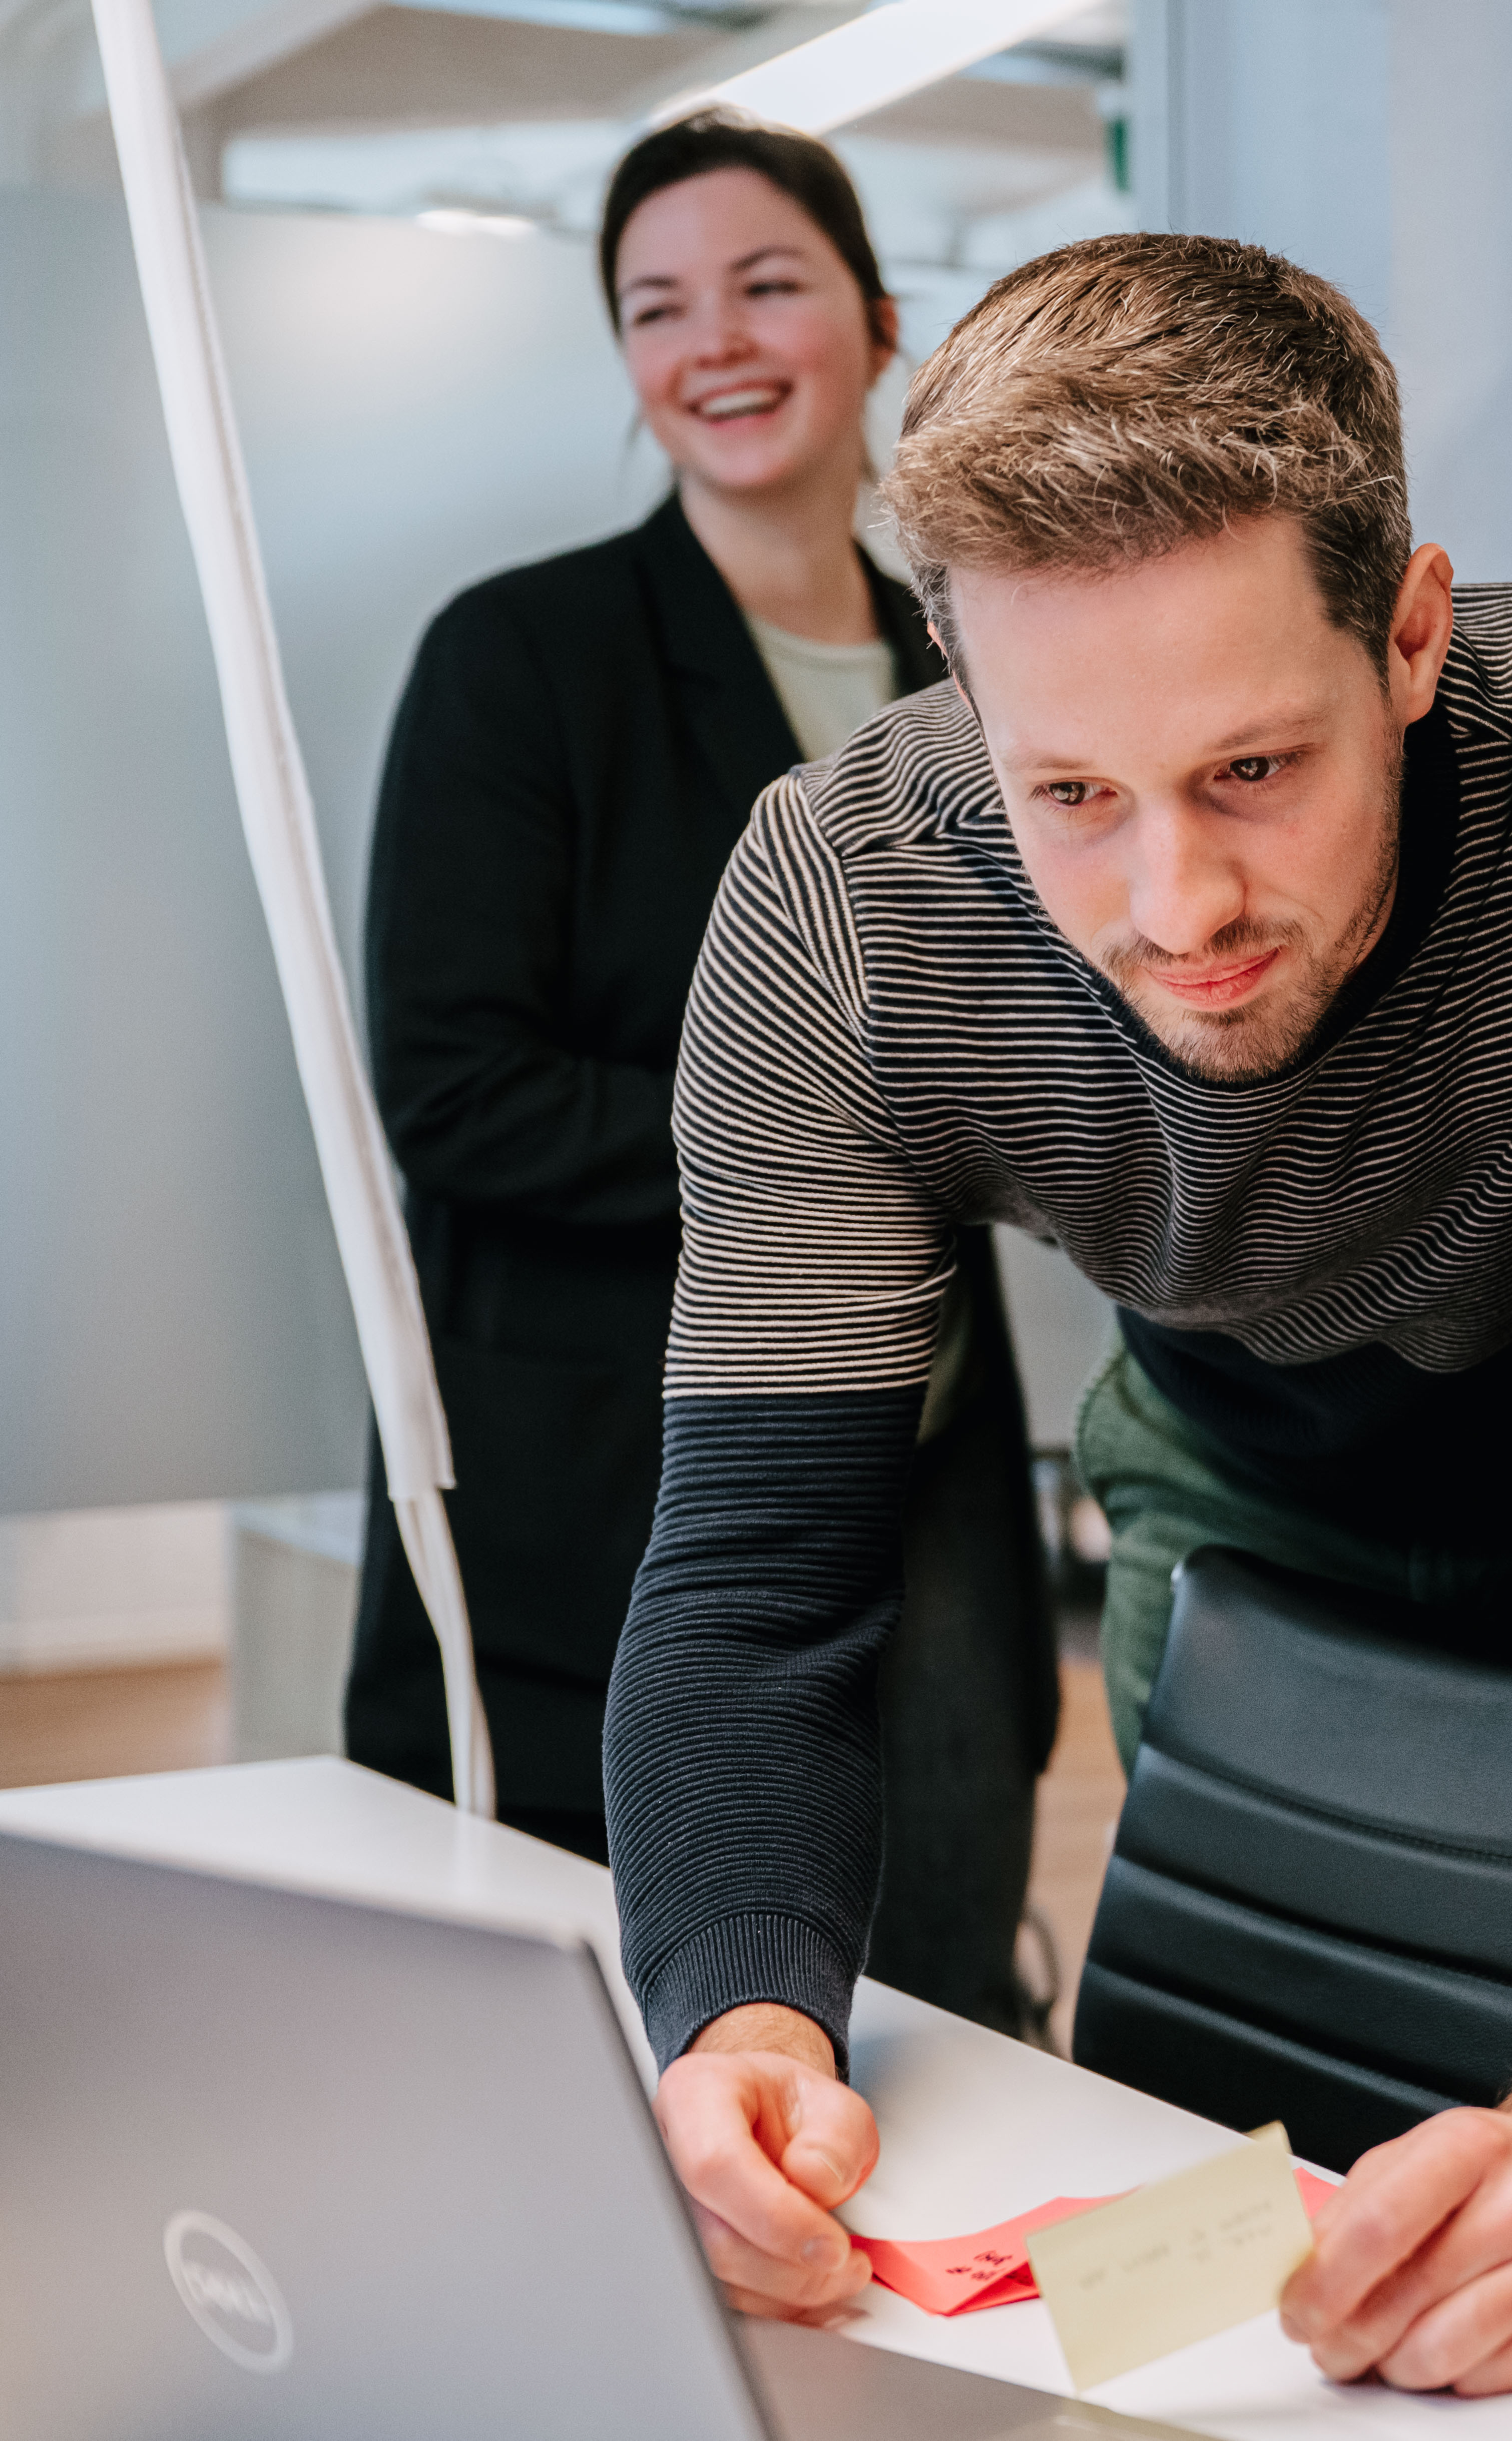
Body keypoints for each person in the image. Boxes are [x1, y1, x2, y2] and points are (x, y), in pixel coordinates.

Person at [605, 233, 1512, 2388]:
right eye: (1071, 797)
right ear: (952, 682)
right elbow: (756, 1581)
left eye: (1252, 770)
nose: (1179, 906)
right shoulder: (840, 899)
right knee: (1222, 2303)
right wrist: (739, 2027)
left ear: (1410, 633)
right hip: (1235, 1536)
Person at [350, 110, 1056, 2036]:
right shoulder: (522, 660)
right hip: (622, 1488)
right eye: (657, 307)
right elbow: (453, 1089)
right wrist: (824, 1148)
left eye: (767, 284)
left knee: (948, 2018)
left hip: (934, 1472)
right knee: (636, 2060)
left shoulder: (984, 668)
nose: (715, 342)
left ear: (878, 320)